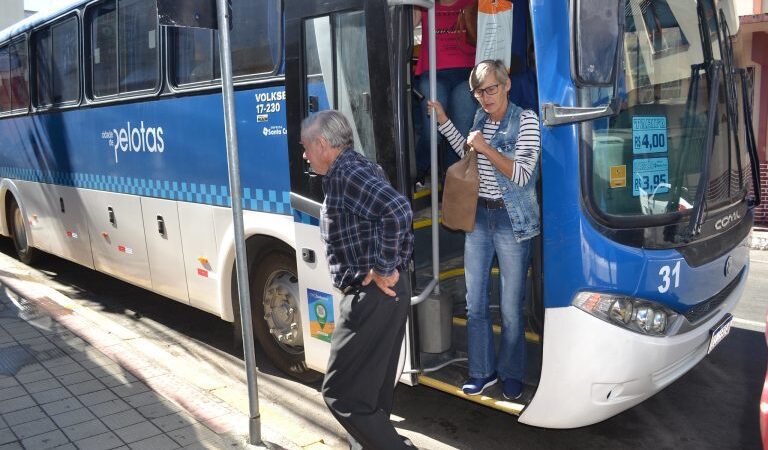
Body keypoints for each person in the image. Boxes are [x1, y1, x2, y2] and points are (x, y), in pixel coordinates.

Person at [301, 110, 415, 449]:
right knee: (373, 396)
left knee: (341, 394)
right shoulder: (361, 165)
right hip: (387, 292)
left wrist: (383, 268)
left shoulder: (345, 173)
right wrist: (395, 267)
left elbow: (398, 211)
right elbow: (390, 217)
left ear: (322, 144)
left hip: (371, 298)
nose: (305, 156)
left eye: (306, 148)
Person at [429, 59, 540, 400]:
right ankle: (482, 372)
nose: (485, 97)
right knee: (475, 303)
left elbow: (522, 174)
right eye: (479, 92)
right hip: (478, 218)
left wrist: (487, 147)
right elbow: (466, 152)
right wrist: (445, 121)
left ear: (506, 85)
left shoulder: (527, 120)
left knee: (509, 307)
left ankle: (511, 372)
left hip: (511, 221)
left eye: (491, 89)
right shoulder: (479, 118)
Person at [413, 0, 477, 182]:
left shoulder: (473, 2)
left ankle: (451, 185)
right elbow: (405, 23)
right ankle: (414, 174)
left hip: (467, 73)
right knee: (433, 134)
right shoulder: (424, 3)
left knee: (459, 133)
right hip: (433, 72)